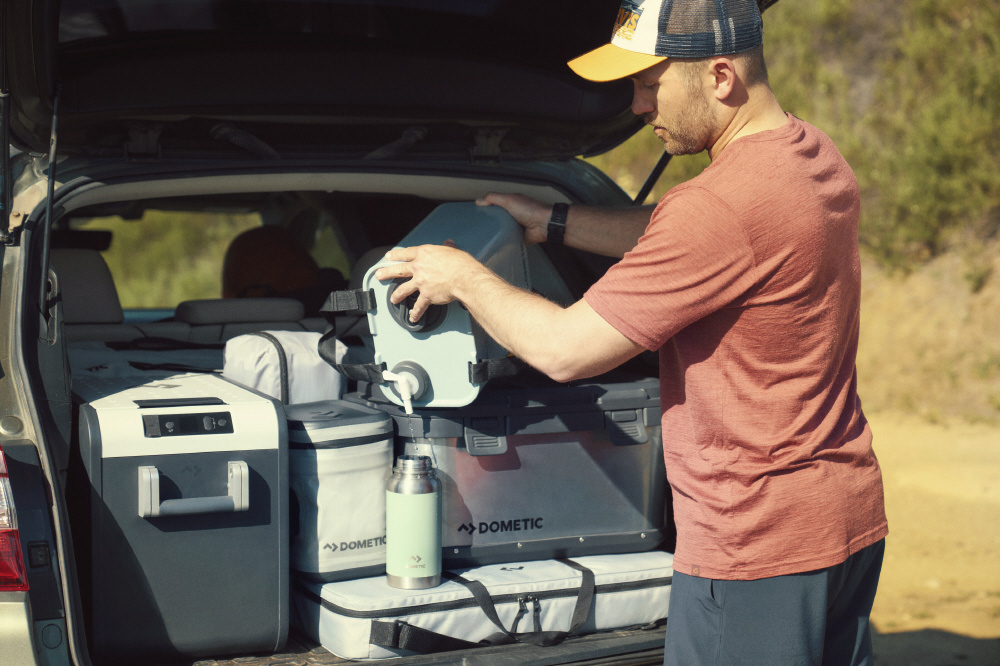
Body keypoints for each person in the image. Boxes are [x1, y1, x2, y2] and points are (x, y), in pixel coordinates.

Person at [374, 1, 888, 663]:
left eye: (649, 84)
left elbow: (565, 350)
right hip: (843, 518)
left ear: (721, 77)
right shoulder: (809, 154)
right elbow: (689, 238)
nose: (638, 105)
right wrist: (553, 221)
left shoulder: (717, 207)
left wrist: (465, 277)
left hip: (755, 545)